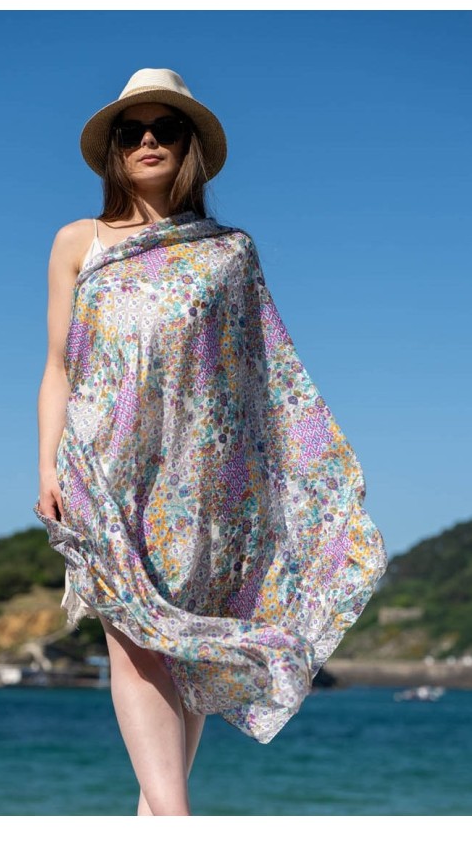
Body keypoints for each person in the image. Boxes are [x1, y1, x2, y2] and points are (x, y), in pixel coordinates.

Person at [34, 68, 388, 816]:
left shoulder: (228, 252)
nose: (148, 141)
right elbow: (58, 368)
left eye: (165, 128)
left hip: (199, 482)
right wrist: (47, 468)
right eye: (132, 131)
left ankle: (159, 823)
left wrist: (292, 474)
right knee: (133, 636)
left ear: (188, 145)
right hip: (101, 466)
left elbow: (262, 377)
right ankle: (179, 825)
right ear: (114, 149)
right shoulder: (78, 242)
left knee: (182, 652)